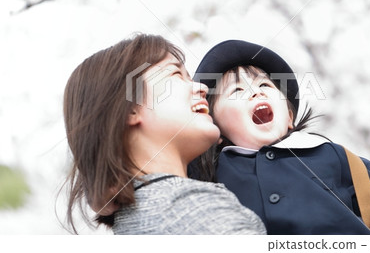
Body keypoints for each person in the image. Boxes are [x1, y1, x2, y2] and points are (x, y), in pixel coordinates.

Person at [192, 39, 370, 235]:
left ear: (290, 116)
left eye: (264, 84)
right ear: (215, 127)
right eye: (237, 90)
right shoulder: (209, 176)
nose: (256, 91)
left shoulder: (338, 159)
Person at [62, 34, 266, 235]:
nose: (202, 87)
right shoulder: (191, 211)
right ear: (131, 108)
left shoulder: (134, 221)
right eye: (176, 75)